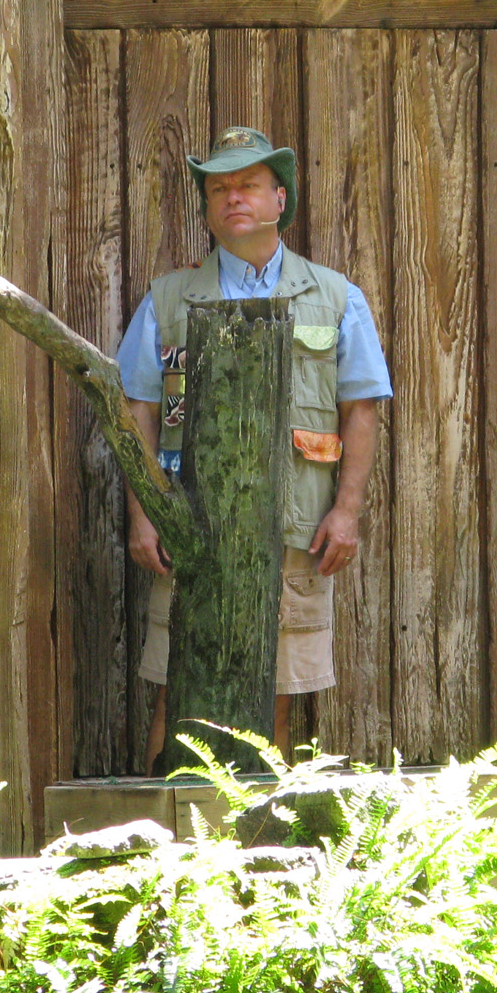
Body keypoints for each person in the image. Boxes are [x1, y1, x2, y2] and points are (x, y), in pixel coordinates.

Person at [114, 128, 393, 770]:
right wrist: (144, 515)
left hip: (295, 531)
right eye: (218, 188)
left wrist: (346, 513)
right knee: (175, 694)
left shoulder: (336, 296)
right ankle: (168, 851)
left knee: (278, 694)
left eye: (246, 185)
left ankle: (257, 850)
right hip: (190, 531)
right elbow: (137, 413)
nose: (232, 197)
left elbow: (361, 410)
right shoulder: (169, 299)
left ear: (279, 199)